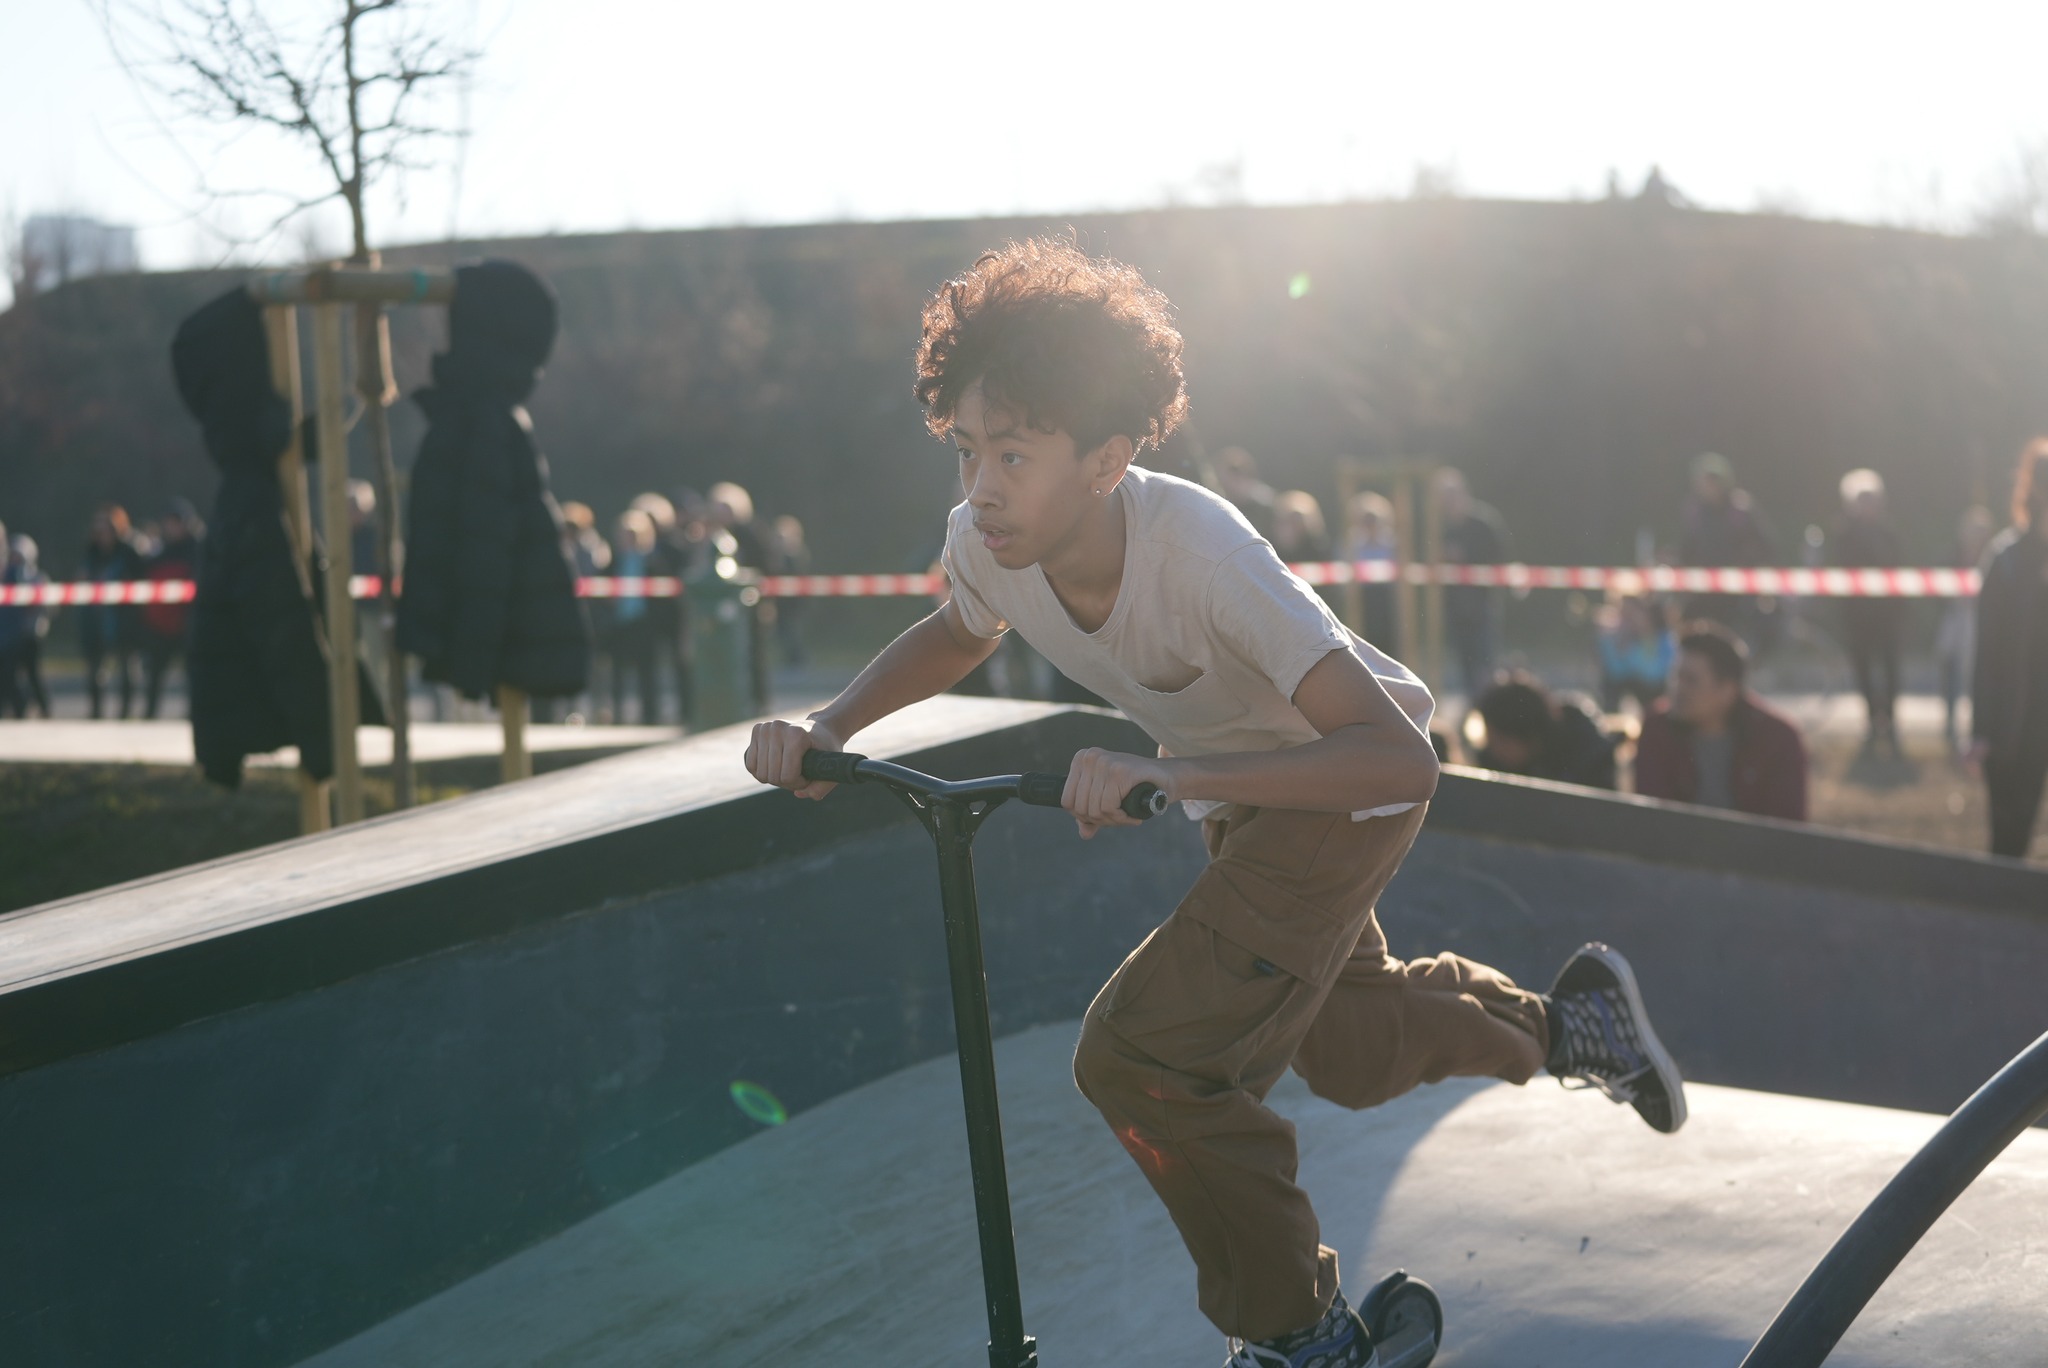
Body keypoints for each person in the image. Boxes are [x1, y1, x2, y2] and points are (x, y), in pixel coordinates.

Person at [744, 238, 1686, 1368]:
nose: (982, 487)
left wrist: (1177, 776)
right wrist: (832, 725)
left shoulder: (1199, 553)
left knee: (1141, 1058)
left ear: (1105, 459)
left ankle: (1299, 1330)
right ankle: (1568, 1027)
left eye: (1012, 454)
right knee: (1339, 1045)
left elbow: (1396, 760)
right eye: (963, 451)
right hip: (1248, 805)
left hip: (1337, 789)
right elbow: (957, 628)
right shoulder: (986, 542)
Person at [1635, 622, 1808, 821]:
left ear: (1727, 690)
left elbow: (1786, 829)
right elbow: (1651, 821)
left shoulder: (1777, 739)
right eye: (1675, 676)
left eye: (1691, 680)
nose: (1678, 689)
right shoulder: (1657, 729)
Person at [1968, 440, 2048, 859]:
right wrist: (1983, 729)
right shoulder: (2008, 560)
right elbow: (1987, 652)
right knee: (2009, 836)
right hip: (2017, 723)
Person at [1830, 469, 1906, 753]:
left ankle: (1892, 722)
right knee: (1863, 670)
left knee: (1890, 670)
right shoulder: (1845, 534)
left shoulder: (1889, 534)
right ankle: (1871, 722)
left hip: (1887, 616)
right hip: (1858, 617)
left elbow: (1899, 571)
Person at [1678, 452, 1779, 643]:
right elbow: (1687, 548)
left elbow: (1765, 545)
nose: (1708, 486)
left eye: (1713, 480)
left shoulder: (1740, 508)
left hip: (1737, 592)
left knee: (1733, 636)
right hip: (1703, 589)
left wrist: (1751, 569)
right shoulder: (1695, 512)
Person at [1434, 468, 1509, 697]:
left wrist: (1466, 556)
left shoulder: (1482, 523)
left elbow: (1499, 557)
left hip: (1481, 602)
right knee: (1464, 663)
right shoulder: (1441, 527)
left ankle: (1491, 707)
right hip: (1454, 604)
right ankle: (1473, 709)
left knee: (1485, 661)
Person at [1473, 672, 1618, 789]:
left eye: (1501, 742)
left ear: (1529, 737)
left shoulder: (1588, 758)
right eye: (1490, 741)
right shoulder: (1492, 764)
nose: (1495, 751)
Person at [1937, 506, 1996, 755]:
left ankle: (1977, 725)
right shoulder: (1954, 556)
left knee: (1976, 673)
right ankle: (1950, 721)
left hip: (1980, 621)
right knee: (1949, 666)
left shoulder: (1994, 557)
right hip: (1956, 616)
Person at [79, 504, 146, 719]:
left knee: (127, 667)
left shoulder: (129, 552)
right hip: (96, 618)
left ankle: (125, 714)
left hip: (123, 620)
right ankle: (96, 713)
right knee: (95, 669)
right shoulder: (91, 554)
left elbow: (140, 584)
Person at [141, 498, 204, 719]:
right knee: (155, 676)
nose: (171, 527)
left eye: (175, 522)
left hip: (189, 625)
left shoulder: (199, 551)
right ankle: (149, 717)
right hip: (161, 627)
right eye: (168, 522)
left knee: (195, 675)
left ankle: (196, 715)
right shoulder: (159, 553)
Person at [607, 508, 662, 725]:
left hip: (643, 624)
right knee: (617, 672)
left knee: (646, 671)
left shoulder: (651, 563)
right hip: (621, 624)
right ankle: (618, 715)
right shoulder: (614, 562)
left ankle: (650, 716)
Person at [0, 529, 52, 718]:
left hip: (27, 636)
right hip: (10, 636)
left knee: (29, 675)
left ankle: (40, 710)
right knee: (9, 678)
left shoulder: (25, 575)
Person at [1596, 590, 1675, 713]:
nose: (1628, 619)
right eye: (1624, 614)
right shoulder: (1616, 638)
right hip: (1631, 694)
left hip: (1656, 694)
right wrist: (1618, 647)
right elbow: (1615, 674)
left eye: (1631, 614)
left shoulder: (1664, 639)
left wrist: (1643, 640)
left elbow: (1656, 675)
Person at [1340, 491, 1400, 645]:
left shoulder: (1391, 543)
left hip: (1385, 597)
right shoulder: (1353, 544)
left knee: (1388, 638)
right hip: (1362, 597)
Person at [1212, 446, 1278, 543]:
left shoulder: (1265, 506)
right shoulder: (1212, 500)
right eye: (1232, 472)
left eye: (1239, 472)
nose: (1235, 478)